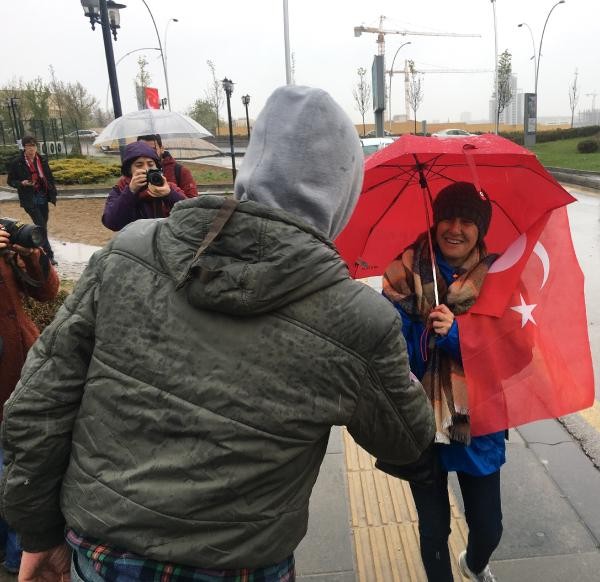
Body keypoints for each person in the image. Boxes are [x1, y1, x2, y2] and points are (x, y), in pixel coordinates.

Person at [0, 86, 435, 582]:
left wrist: (37, 533)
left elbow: (38, 403)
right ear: (343, 195)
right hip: (242, 566)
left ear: (253, 165)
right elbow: (406, 439)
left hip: (104, 556)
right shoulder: (357, 317)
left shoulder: (129, 254)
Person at [378, 182, 503, 582]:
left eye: (468, 221)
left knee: (489, 527)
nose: (456, 228)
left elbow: (513, 352)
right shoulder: (401, 274)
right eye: (448, 217)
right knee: (434, 529)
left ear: (480, 229)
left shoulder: (499, 277)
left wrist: (456, 335)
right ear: (435, 220)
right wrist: (420, 333)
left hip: (477, 420)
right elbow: (385, 352)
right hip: (419, 420)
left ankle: (475, 563)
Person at [0, 222, 59, 575]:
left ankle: (16, 554)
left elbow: (48, 293)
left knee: (22, 469)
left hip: (23, 372)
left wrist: (31, 256)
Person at [101, 141, 186, 231]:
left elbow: (191, 214)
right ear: (129, 170)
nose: (146, 169)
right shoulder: (120, 189)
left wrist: (170, 195)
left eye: (150, 164)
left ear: (157, 167)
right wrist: (130, 192)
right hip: (134, 243)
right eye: (139, 165)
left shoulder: (168, 187)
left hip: (165, 241)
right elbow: (112, 223)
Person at [7, 135, 59, 264]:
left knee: (43, 225)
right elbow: (10, 181)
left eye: (34, 146)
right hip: (29, 198)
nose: (32, 149)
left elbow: (49, 177)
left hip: (42, 196)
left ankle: (37, 244)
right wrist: (21, 183)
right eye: (29, 146)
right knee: (41, 225)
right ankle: (49, 255)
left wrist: (53, 190)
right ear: (24, 147)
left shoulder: (42, 160)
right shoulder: (17, 163)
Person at [137, 134, 198, 198]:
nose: (148, 153)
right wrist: (131, 191)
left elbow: (193, 203)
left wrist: (170, 193)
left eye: (153, 149)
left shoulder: (180, 171)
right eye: (143, 149)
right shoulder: (132, 172)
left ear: (162, 149)